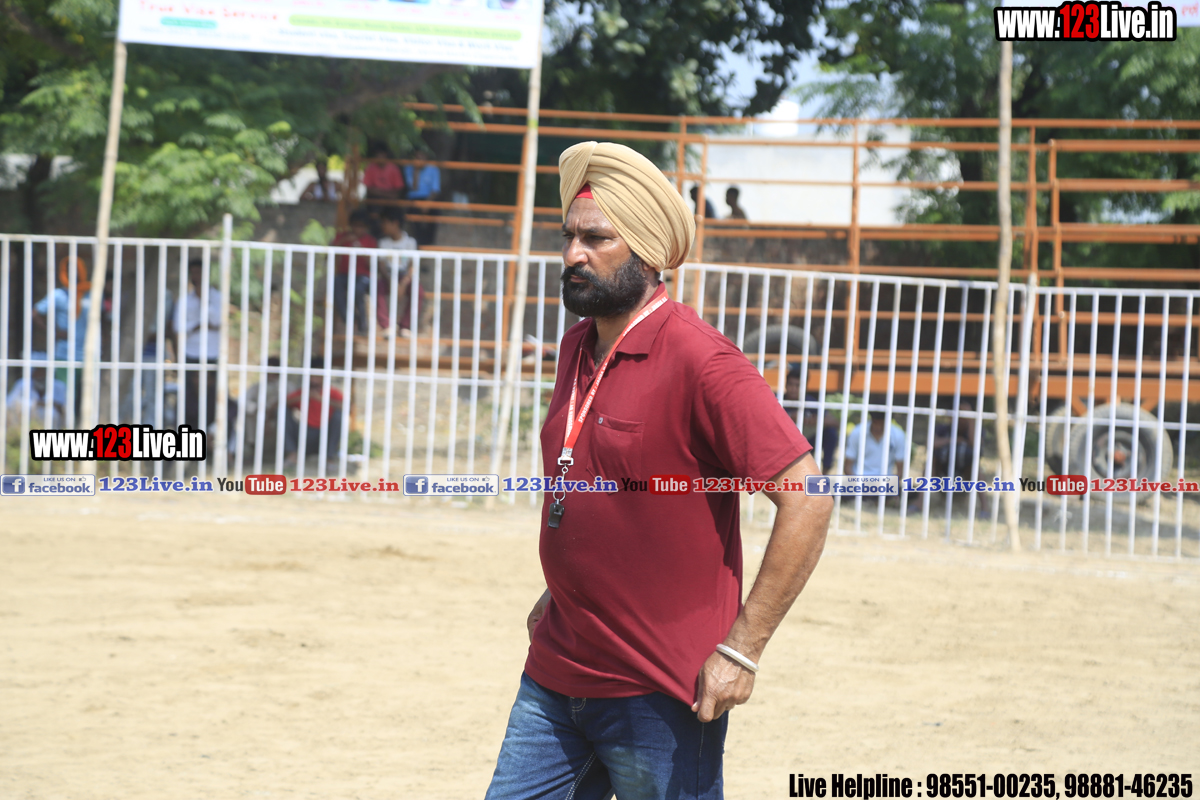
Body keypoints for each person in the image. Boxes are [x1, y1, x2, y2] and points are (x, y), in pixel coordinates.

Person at [483, 141, 833, 799]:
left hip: (660, 689)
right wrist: (566, 590)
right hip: (557, 669)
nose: (573, 255)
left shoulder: (704, 361)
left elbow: (809, 499)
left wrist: (742, 649)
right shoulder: (575, 347)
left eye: (596, 239)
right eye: (568, 237)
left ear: (647, 252)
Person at [170, 257, 223, 430]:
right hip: (191, 354)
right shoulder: (184, 300)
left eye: (198, 272)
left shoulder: (217, 297)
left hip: (213, 354)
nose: (196, 276)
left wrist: (204, 301)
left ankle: (211, 434)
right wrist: (198, 326)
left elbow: (220, 322)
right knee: (188, 395)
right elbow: (178, 327)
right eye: (193, 273)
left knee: (213, 395)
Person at [284, 357, 343, 466]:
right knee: (282, 413)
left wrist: (321, 399)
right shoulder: (302, 392)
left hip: (325, 435)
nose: (314, 379)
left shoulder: (333, 393)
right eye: (312, 376)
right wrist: (303, 397)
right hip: (304, 435)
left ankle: (329, 458)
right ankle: (292, 455)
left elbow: (347, 408)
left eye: (317, 376)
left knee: (339, 415)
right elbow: (281, 404)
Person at [376, 207, 422, 334]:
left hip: (404, 276)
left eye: (385, 222)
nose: (382, 226)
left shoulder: (410, 242)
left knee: (418, 291)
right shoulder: (383, 243)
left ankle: (405, 326)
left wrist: (403, 283)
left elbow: (412, 266)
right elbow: (382, 266)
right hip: (388, 276)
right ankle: (386, 326)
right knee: (377, 287)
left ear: (395, 223)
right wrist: (391, 281)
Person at [332, 208, 378, 334]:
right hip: (344, 275)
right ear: (351, 225)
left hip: (363, 277)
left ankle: (362, 322)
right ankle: (349, 320)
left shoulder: (370, 241)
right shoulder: (342, 237)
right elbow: (330, 254)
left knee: (358, 290)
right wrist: (343, 241)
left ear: (366, 227)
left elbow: (373, 265)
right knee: (336, 284)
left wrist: (361, 250)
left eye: (361, 226)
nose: (358, 229)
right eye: (355, 225)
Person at [843, 408, 907, 477]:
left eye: (882, 424)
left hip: (886, 480)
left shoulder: (898, 435)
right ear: (871, 420)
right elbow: (847, 466)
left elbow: (901, 470)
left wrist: (890, 482)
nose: (878, 427)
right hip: (859, 478)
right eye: (875, 423)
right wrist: (856, 482)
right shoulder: (857, 432)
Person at [402, 152, 442, 246]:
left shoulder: (433, 169)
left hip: (429, 198)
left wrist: (427, 203)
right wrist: (416, 171)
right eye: (417, 158)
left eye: (421, 158)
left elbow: (435, 190)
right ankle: (419, 242)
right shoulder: (408, 169)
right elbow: (414, 188)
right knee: (414, 215)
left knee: (435, 213)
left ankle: (429, 242)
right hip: (414, 199)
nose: (419, 160)